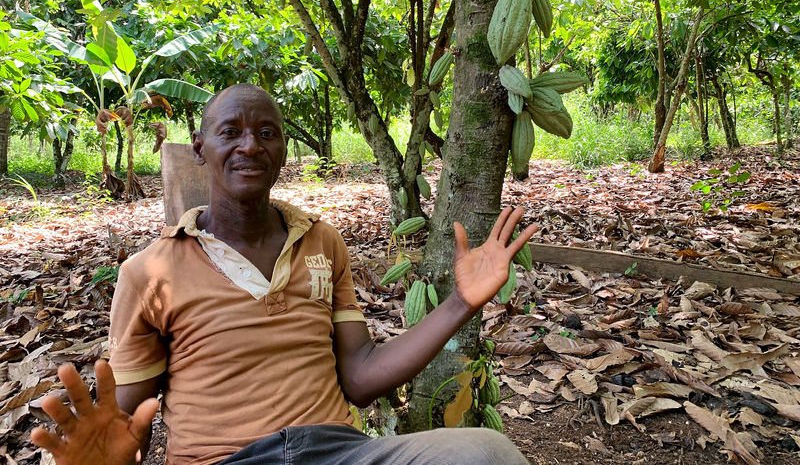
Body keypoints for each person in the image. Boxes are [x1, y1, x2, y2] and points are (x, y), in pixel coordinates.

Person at [31, 84, 536, 465]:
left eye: (266, 133)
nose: (250, 146)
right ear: (200, 147)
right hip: (225, 460)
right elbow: (125, 423)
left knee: (487, 453)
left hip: (340, 451)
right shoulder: (149, 273)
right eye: (230, 132)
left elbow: (360, 377)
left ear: (281, 149)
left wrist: (461, 303)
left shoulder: (321, 239)